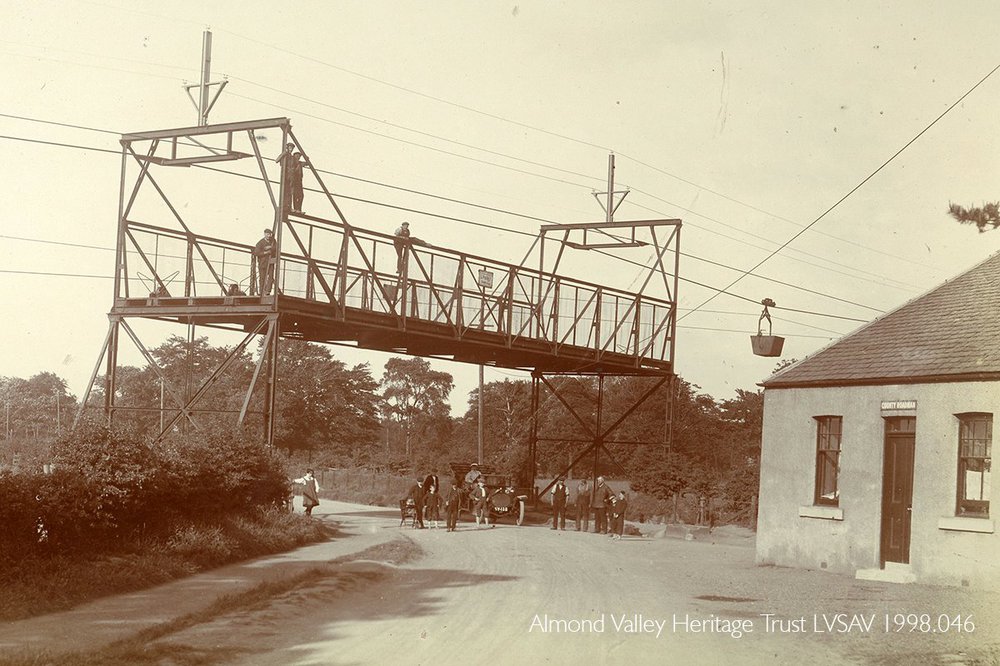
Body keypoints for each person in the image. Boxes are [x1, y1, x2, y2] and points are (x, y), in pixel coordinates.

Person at [274, 143, 306, 212]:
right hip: (286, 176)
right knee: (286, 192)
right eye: (290, 148)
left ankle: (289, 207)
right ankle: (285, 206)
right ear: (287, 148)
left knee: (290, 192)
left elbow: (298, 163)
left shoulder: (292, 158)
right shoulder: (285, 155)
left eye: (292, 148)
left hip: (292, 177)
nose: (291, 149)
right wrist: (284, 153)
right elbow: (277, 160)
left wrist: (306, 160)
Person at [253, 228, 277, 296]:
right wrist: (265, 252)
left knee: (270, 277)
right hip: (263, 263)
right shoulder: (260, 243)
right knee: (262, 278)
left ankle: (268, 291)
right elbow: (256, 253)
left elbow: (276, 248)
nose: (269, 236)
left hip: (270, 262)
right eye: (268, 234)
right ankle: (261, 291)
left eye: (270, 234)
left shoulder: (273, 241)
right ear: (265, 234)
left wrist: (270, 247)